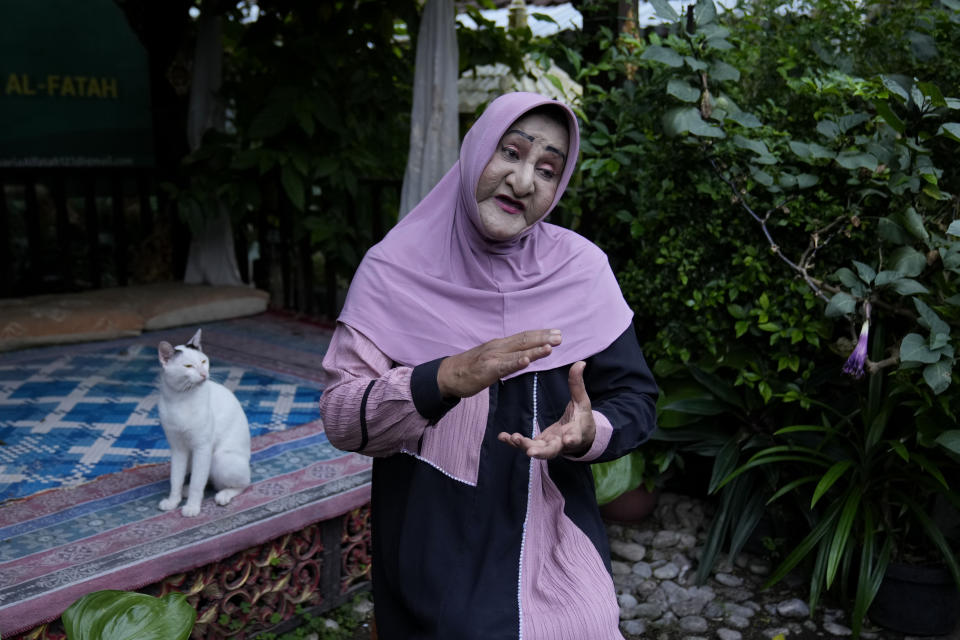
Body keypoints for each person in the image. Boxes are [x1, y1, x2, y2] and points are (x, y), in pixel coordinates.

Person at [319, 91, 658, 640]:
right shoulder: (394, 270)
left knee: (586, 622)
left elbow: (636, 400)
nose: (523, 181)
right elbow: (341, 418)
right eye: (511, 152)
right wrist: (444, 378)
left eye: (546, 170)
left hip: (553, 527)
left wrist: (588, 430)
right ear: (477, 150)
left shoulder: (582, 271)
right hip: (433, 536)